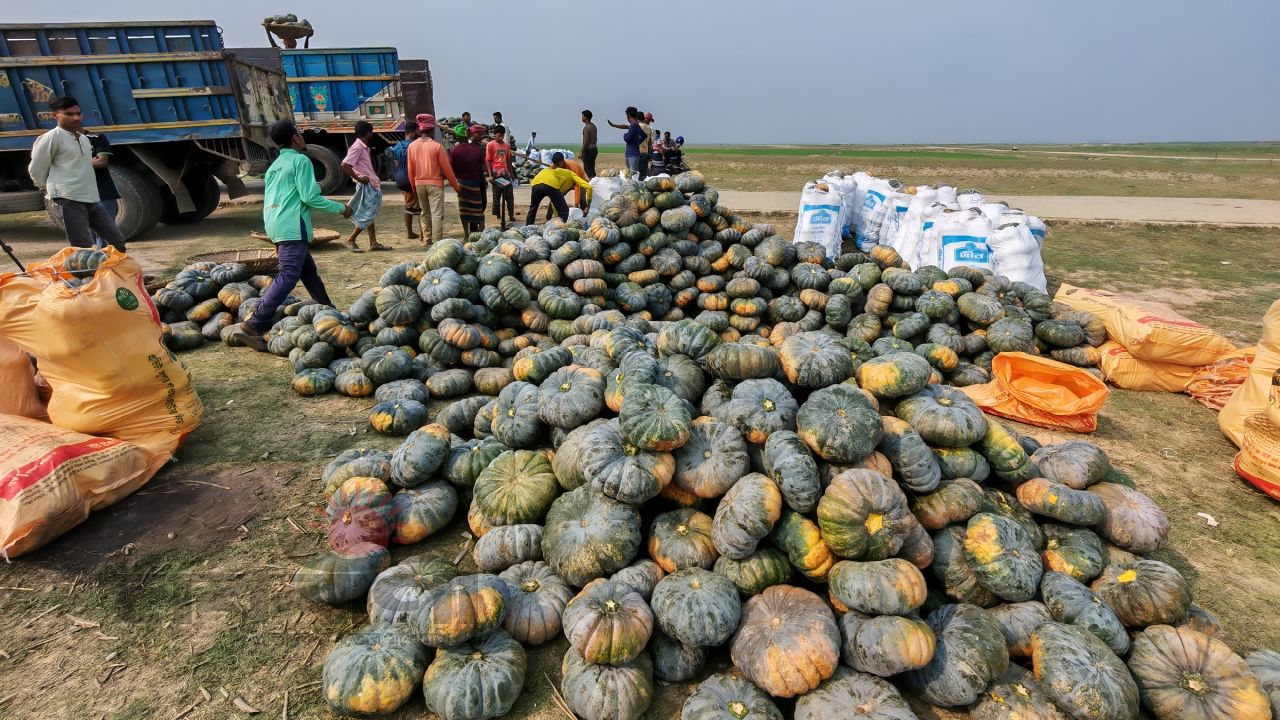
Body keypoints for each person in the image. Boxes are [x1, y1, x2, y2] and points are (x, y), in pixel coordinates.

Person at [235, 120, 352, 352]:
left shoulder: (275, 165)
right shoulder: (300, 160)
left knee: (307, 270)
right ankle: (255, 323)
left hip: (276, 224)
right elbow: (309, 197)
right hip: (291, 226)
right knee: (288, 275)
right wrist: (342, 209)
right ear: (296, 137)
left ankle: (328, 310)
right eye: (299, 133)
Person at [27, 96, 126, 251]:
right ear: (55, 115)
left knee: (116, 240)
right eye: (69, 114)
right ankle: (84, 276)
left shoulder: (85, 139)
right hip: (68, 198)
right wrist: (44, 186)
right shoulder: (50, 138)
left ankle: (116, 273)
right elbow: (36, 168)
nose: (76, 117)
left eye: (78, 113)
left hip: (91, 197)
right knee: (82, 246)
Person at [406, 113, 460, 245]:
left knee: (424, 213)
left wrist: (413, 187)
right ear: (432, 129)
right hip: (435, 184)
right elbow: (448, 171)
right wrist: (457, 187)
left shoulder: (412, 146)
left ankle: (427, 238)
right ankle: (437, 241)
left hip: (419, 184)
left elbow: (410, 170)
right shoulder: (437, 147)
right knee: (436, 213)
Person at [340, 120, 390, 252]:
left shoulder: (362, 147)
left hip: (370, 182)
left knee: (370, 212)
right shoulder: (357, 147)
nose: (371, 135)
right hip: (367, 184)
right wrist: (359, 179)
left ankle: (373, 242)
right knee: (369, 213)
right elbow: (345, 164)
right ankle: (350, 239)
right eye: (371, 133)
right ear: (368, 133)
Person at [525, 152, 591, 225]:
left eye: (558, 165)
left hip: (536, 183)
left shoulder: (572, 169)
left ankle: (582, 213)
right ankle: (550, 219)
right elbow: (550, 177)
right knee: (563, 209)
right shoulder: (554, 166)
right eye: (555, 165)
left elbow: (578, 188)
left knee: (582, 196)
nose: (557, 167)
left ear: (563, 161)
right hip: (555, 184)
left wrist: (577, 205)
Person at [451, 124, 488, 237]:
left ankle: (466, 234)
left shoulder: (454, 151)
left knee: (464, 210)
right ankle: (482, 234)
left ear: (456, 137)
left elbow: (453, 169)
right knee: (479, 210)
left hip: (462, 183)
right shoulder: (478, 150)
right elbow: (484, 168)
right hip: (475, 183)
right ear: (468, 134)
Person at [386, 122, 423, 240]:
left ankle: (409, 232)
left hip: (402, 180)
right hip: (416, 179)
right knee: (421, 207)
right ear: (412, 132)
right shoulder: (416, 145)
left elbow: (396, 165)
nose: (419, 133)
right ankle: (423, 234)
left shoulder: (397, 147)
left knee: (408, 206)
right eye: (417, 131)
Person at [86, 131, 121, 249]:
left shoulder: (96, 138)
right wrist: (89, 161)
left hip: (102, 194)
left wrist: (72, 162)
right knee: (89, 235)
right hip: (77, 195)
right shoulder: (58, 141)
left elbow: (101, 161)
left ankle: (105, 264)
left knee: (105, 232)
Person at [485, 124, 515, 226]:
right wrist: (490, 175)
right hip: (495, 173)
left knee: (509, 196)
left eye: (502, 135)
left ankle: (511, 215)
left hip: (505, 173)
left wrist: (511, 174)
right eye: (499, 135)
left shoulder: (506, 146)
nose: (501, 137)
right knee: (496, 196)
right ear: (495, 135)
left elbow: (508, 160)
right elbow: (488, 161)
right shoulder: (490, 145)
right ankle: (497, 215)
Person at [607, 108, 645, 178]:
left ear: (628, 116)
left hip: (632, 154)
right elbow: (644, 136)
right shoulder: (636, 125)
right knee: (631, 175)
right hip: (632, 153)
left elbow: (627, 138)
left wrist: (624, 135)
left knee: (633, 176)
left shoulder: (633, 125)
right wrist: (614, 125)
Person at [580, 110, 598, 178]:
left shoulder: (587, 128)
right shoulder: (593, 126)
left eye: (582, 116)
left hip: (589, 150)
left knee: (587, 169)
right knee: (592, 168)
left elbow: (586, 141)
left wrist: (582, 152)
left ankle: (594, 182)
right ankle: (595, 182)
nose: (581, 118)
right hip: (594, 149)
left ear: (585, 117)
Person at [638, 111, 655, 179]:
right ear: (646, 119)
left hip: (634, 152)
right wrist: (650, 156)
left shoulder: (634, 125)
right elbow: (650, 143)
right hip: (644, 152)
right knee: (643, 173)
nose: (650, 122)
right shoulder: (649, 129)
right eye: (650, 121)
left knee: (634, 172)